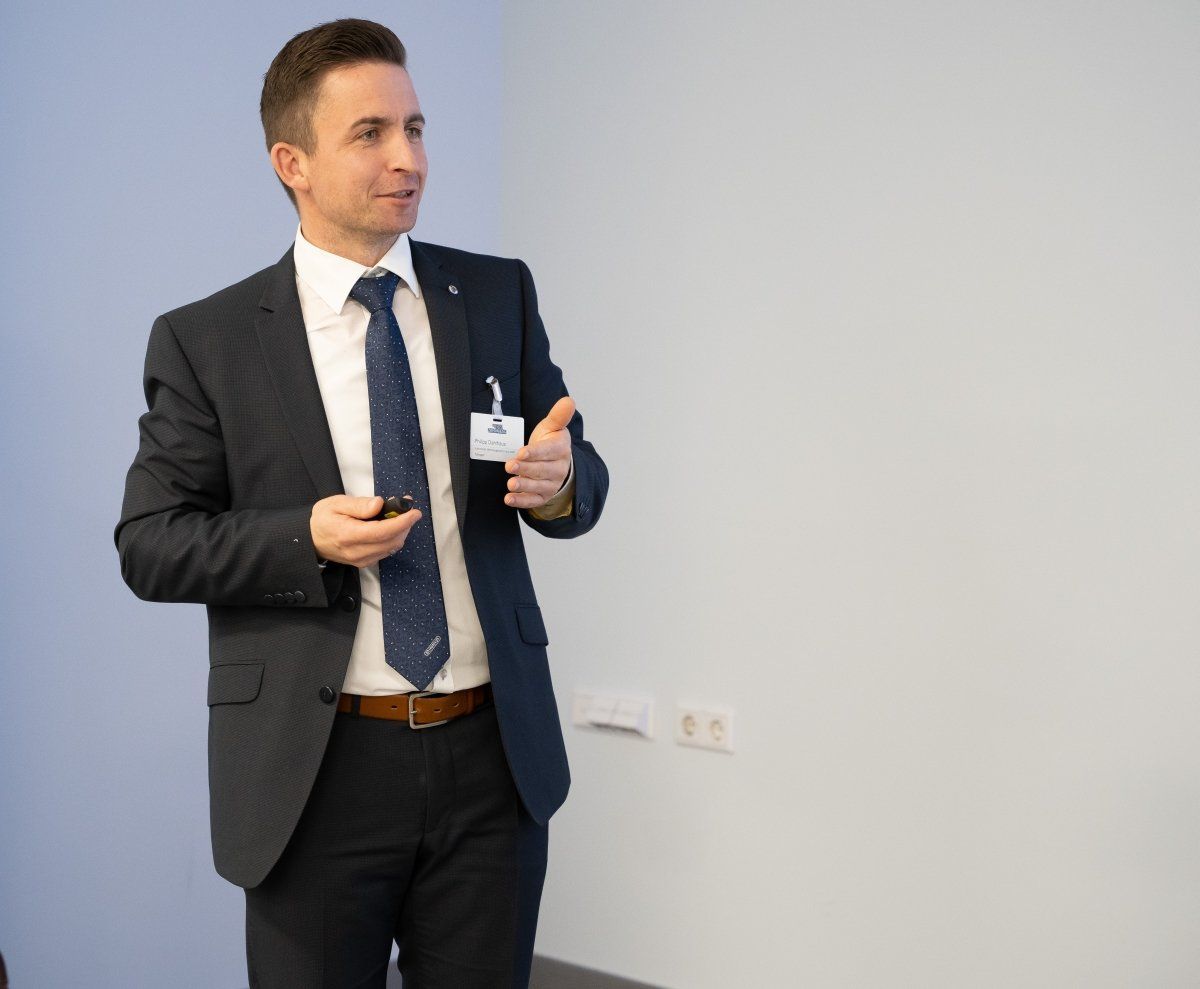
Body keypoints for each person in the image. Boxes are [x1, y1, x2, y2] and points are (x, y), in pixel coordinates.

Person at [116, 18, 607, 988]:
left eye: (415, 128)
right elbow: (152, 542)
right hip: (316, 767)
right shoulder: (209, 340)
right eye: (371, 134)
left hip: (492, 755)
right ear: (291, 163)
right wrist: (304, 537)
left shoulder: (495, 295)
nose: (408, 158)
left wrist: (560, 484)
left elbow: (576, 468)